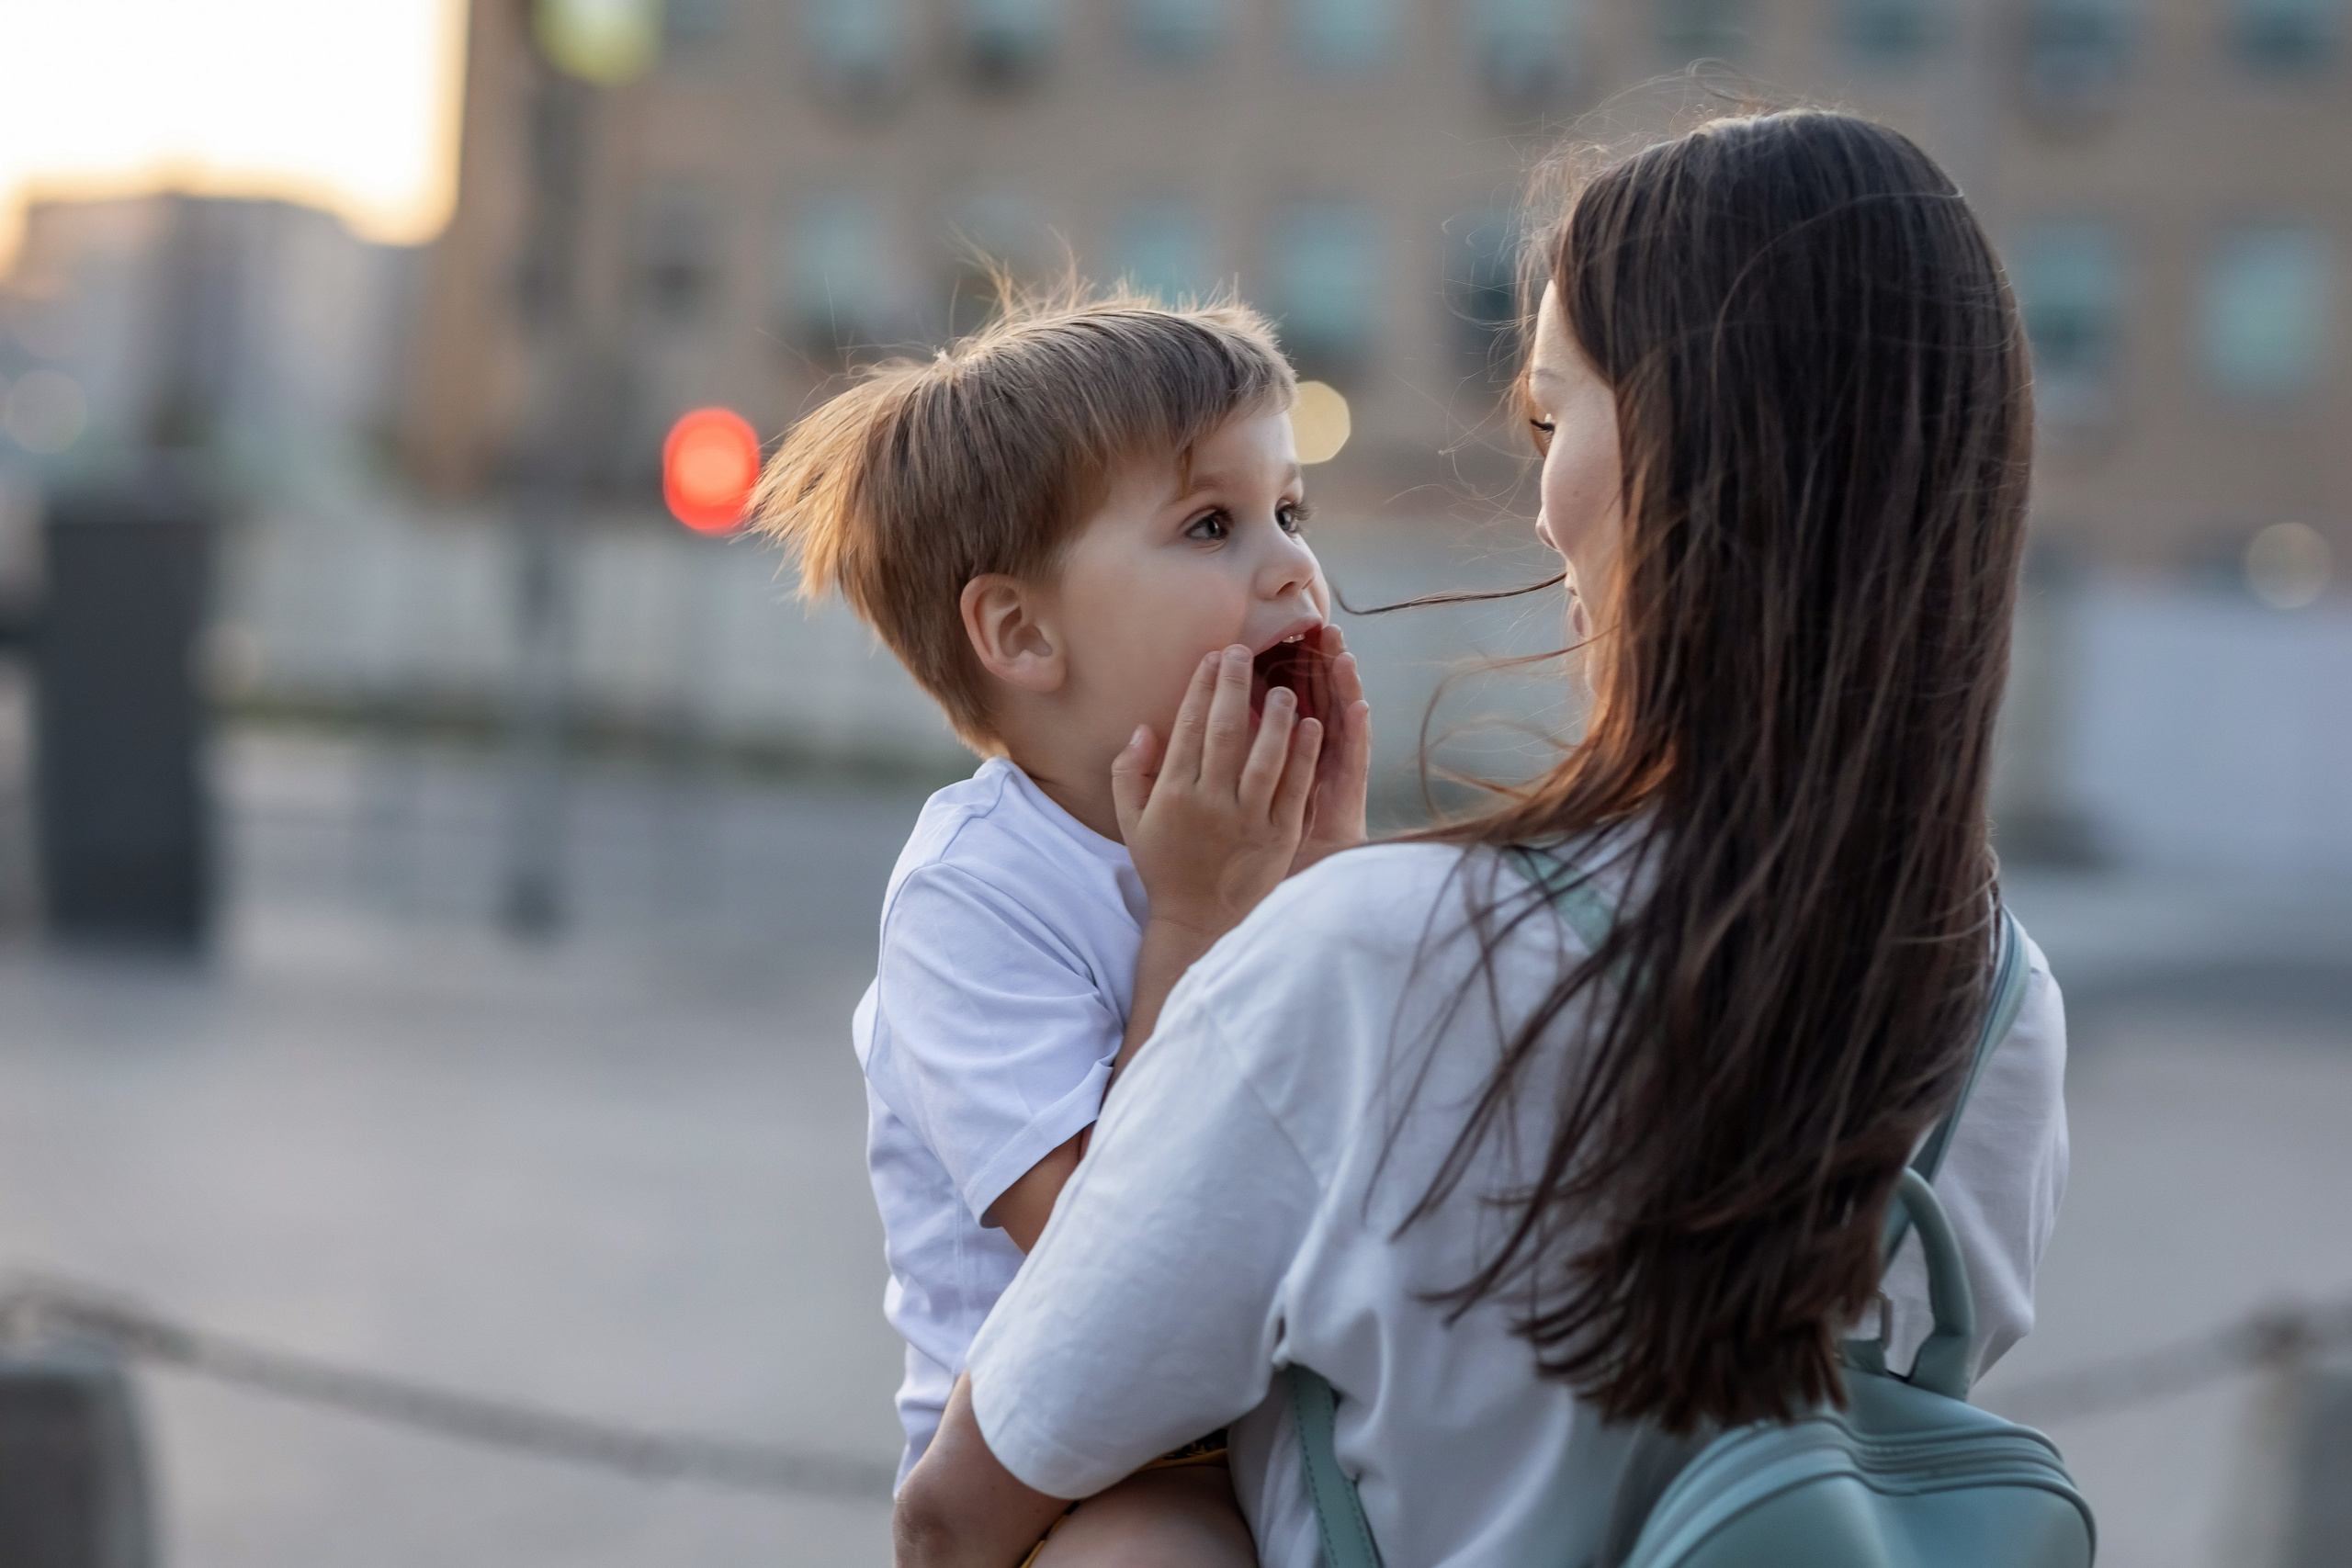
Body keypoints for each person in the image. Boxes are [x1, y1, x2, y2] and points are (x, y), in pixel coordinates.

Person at [892, 110, 2070, 1568]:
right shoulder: (2000, 1004)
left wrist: (1281, 937)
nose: (1540, 499)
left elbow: (955, 1514)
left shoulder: (1370, 958)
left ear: (1683, 454)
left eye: (1553, 422)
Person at [752, 287, 1371, 1562]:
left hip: (1278, 1404)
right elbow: (1112, 1262)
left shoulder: (1260, 840)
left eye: (1290, 512)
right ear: (1023, 633)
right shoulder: (975, 895)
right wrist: (1198, 916)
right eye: (1212, 525)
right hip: (1079, 1465)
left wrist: (1334, 887)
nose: (1291, 566)